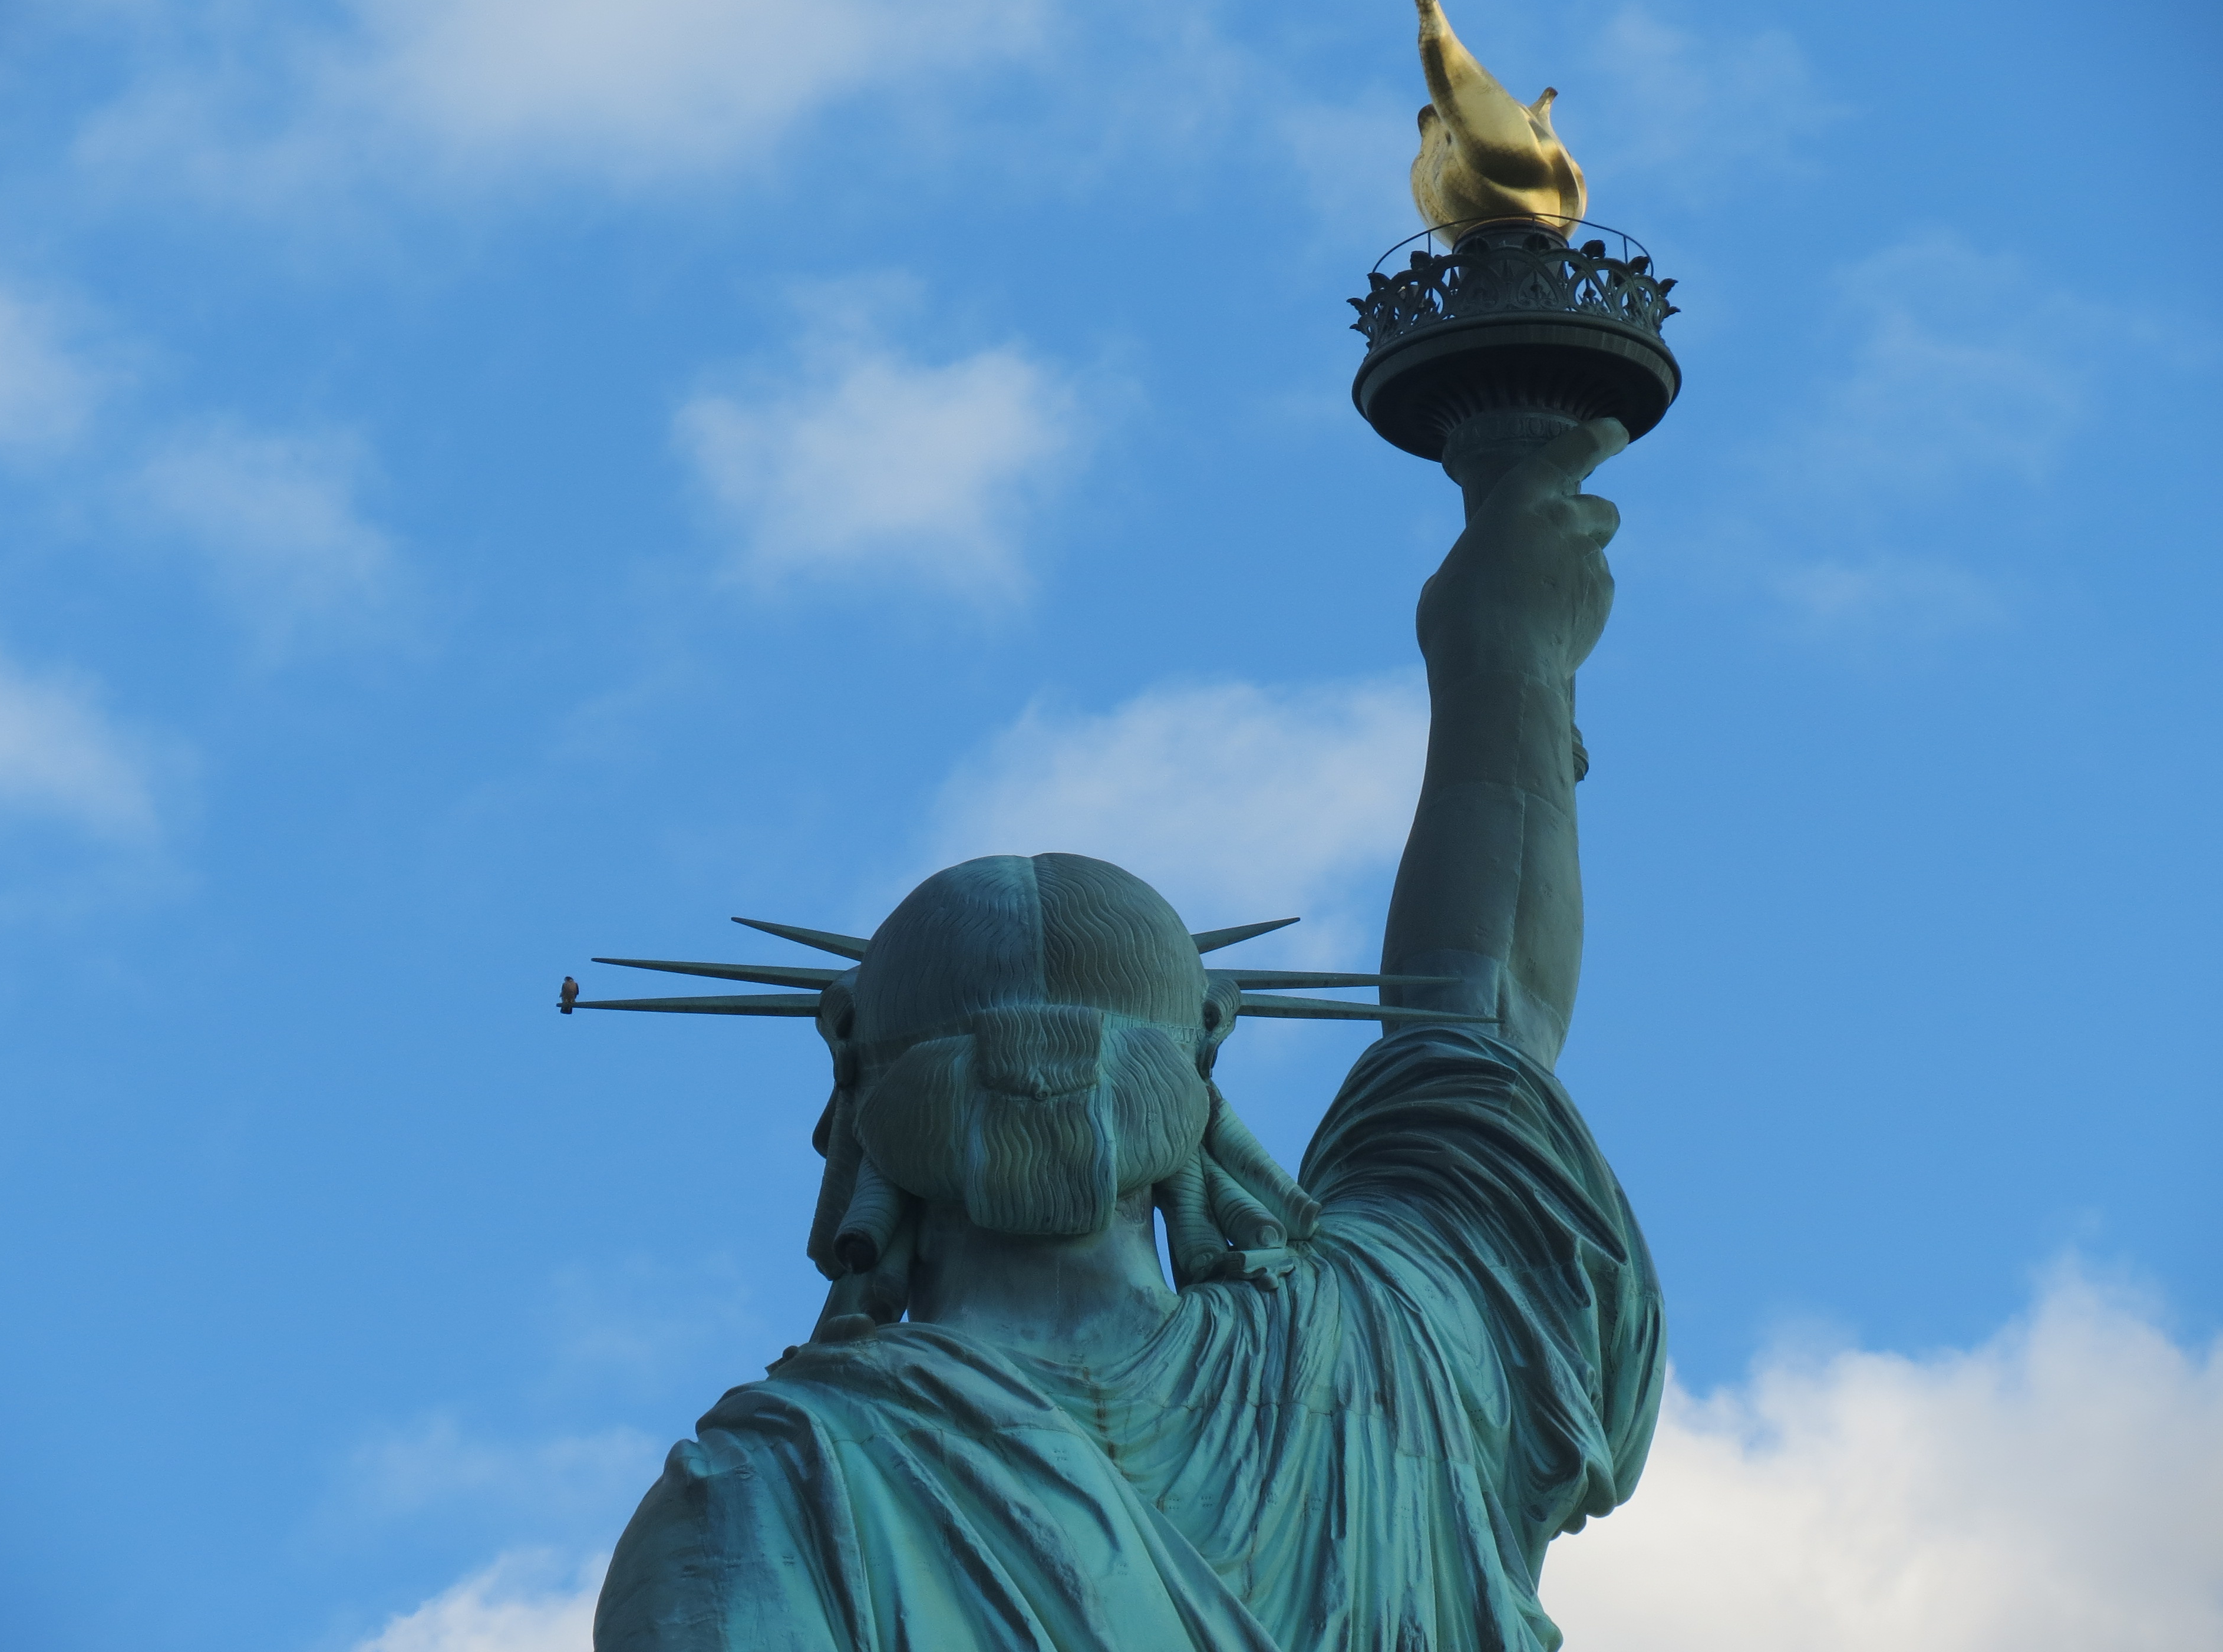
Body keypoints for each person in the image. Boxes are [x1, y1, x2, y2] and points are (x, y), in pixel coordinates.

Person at [595, 420, 1664, 1651]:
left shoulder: (768, 1499)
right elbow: (1482, 1027)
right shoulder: (1389, 1352)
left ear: (852, 1073)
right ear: (1204, 1063)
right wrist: (1505, 666)